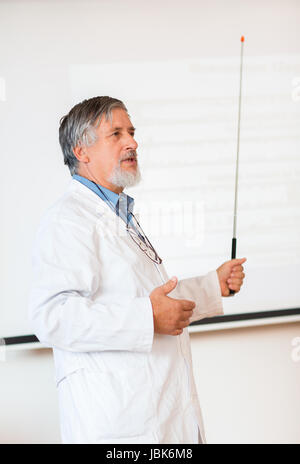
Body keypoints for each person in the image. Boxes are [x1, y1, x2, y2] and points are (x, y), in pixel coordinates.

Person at [28, 96, 246, 444]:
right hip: (117, 426)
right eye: (116, 134)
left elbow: (150, 299)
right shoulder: (67, 219)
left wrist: (211, 285)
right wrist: (146, 317)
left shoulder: (120, 215)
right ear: (81, 151)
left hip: (161, 420)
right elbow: (51, 316)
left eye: (131, 131)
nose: (133, 142)